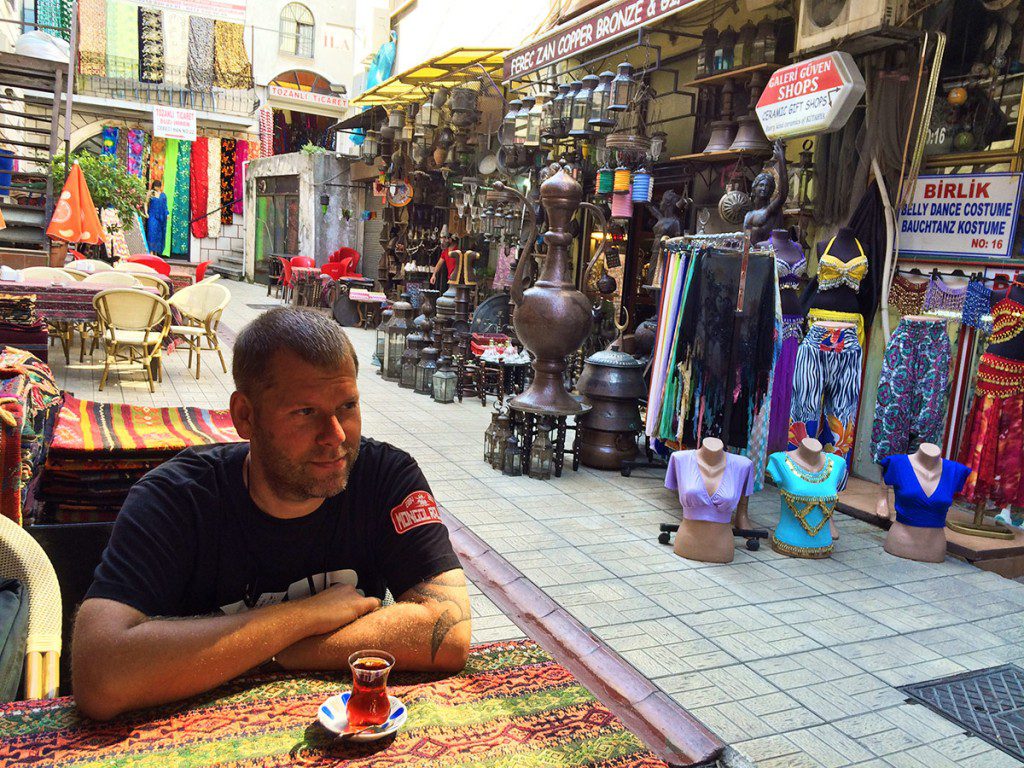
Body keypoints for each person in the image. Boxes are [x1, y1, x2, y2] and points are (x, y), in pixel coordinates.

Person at [72, 308, 471, 720]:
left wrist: (262, 651)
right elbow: (100, 676)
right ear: (245, 415)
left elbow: (449, 631)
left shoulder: (386, 477)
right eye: (305, 412)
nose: (335, 436)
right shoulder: (175, 499)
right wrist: (304, 615)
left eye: (347, 406)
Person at [145, 181, 168, 256]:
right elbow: (146, 203)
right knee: (152, 233)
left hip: (161, 217)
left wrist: (167, 214)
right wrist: (146, 212)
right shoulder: (150, 193)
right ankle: (151, 252)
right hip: (152, 216)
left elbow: (165, 206)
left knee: (159, 234)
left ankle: (156, 252)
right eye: (155, 186)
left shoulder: (163, 195)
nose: (157, 188)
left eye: (158, 186)